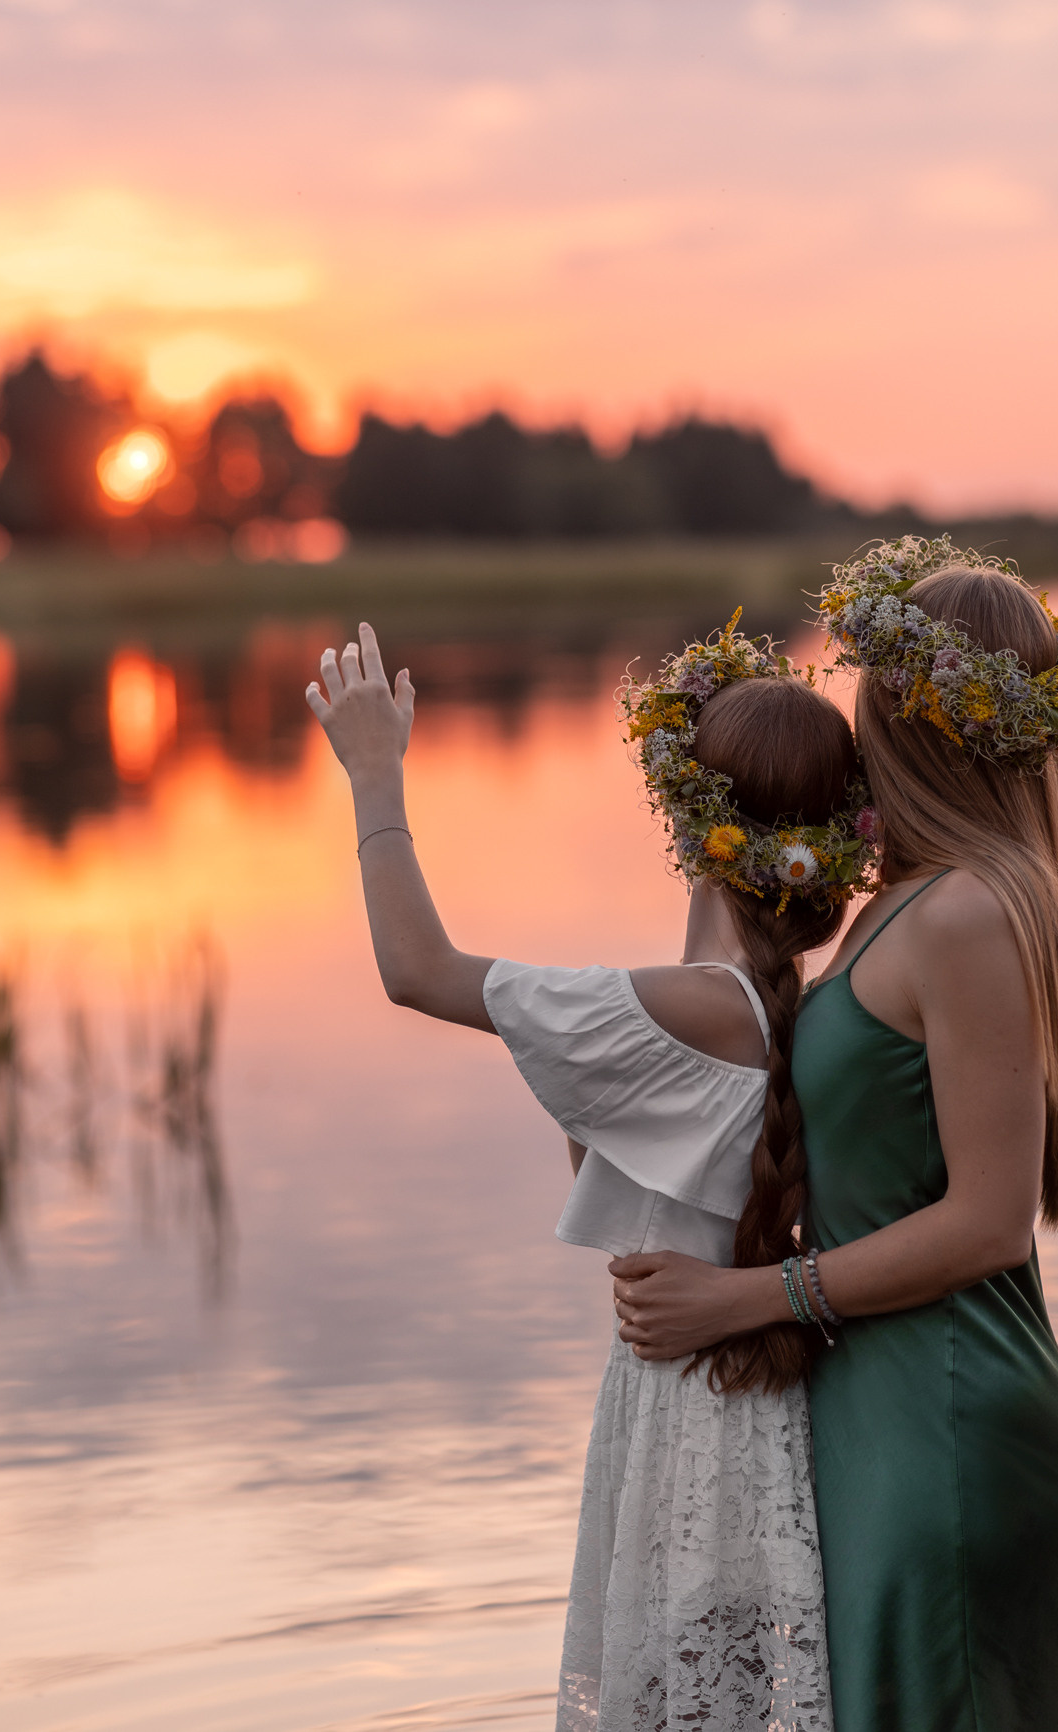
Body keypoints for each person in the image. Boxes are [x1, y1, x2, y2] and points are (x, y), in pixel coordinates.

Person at [305, 613, 881, 1731]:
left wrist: (375, 774)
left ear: (688, 821)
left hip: (692, 1408)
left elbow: (417, 971)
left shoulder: (695, 1010)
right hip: (741, 1400)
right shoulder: (768, 1007)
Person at [610, 539, 1058, 1732]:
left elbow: (987, 1221)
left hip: (942, 1411)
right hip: (883, 1402)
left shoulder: (962, 914)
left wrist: (742, 1299)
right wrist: (716, 832)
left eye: (871, 689)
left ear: (914, 717)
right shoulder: (901, 902)